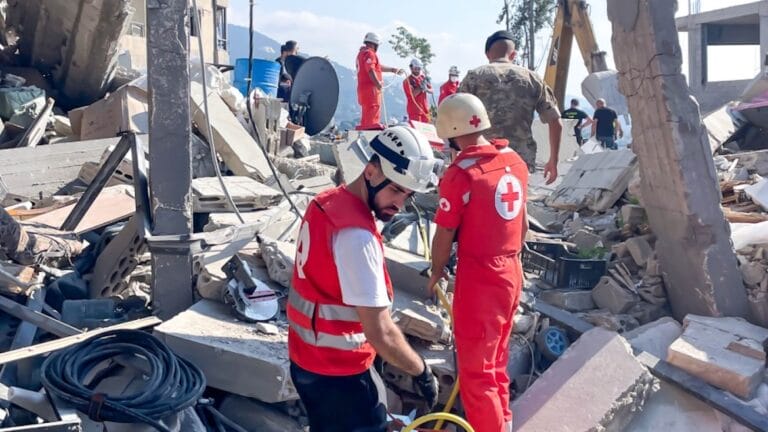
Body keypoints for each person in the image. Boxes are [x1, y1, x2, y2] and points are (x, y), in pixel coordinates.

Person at [288, 126, 441, 432]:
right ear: (370, 172)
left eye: (408, 194)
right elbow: (381, 332)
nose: (400, 204)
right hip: (340, 375)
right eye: (395, 190)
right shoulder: (357, 237)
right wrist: (421, 371)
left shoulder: (326, 202)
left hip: (306, 360)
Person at [429, 93, 528, 432]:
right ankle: (504, 424)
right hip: (511, 268)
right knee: (496, 360)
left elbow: (445, 232)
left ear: (450, 131)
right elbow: (523, 223)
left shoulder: (462, 174)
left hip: (481, 277)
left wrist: (437, 270)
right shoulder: (514, 160)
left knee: (476, 373)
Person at [459, 30, 562, 184]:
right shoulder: (533, 79)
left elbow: (457, 120)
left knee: (483, 196)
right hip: (520, 160)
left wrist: (458, 158)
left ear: (487, 54)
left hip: (482, 159)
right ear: (513, 54)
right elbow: (556, 122)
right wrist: (553, 160)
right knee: (517, 196)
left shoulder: (474, 77)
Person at [356, 32, 404, 130]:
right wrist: (377, 83)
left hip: (362, 90)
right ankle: (371, 132)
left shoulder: (362, 54)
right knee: (373, 113)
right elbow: (371, 70)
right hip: (371, 90)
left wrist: (392, 70)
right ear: (375, 44)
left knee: (366, 116)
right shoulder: (370, 54)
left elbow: (375, 66)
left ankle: (364, 131)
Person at [403, 58, 433, 123]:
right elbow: (413, 94)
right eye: (415, 68)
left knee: (426, 128)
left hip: (425, 109)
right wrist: (421, 86)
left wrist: (427, 89)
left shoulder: (423, 77)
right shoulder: (407, 81)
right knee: (417, 128)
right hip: (414, 111)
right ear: (411, 68)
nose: (417, 71)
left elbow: (431, 91)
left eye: (419, 69)